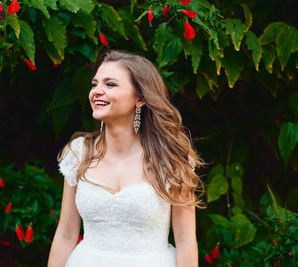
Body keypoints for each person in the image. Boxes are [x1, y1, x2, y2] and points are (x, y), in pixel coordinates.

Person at [47, 50, 206, 267]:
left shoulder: (172, 158)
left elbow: (186, 241)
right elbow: (66, 234)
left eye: (110, 84)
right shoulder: (79, 153)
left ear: (140, 98)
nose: (97, 91)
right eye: (95, 84)